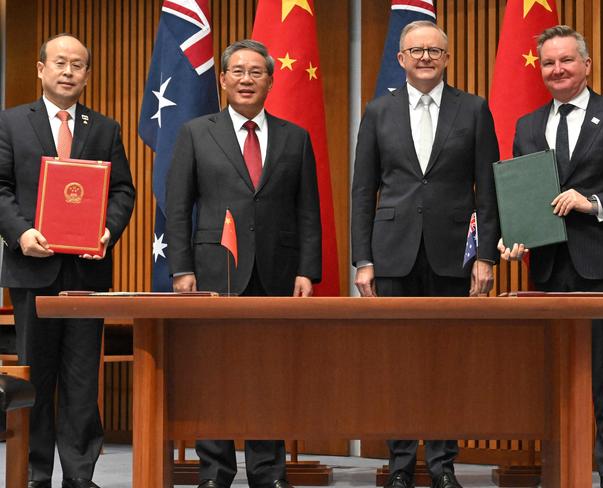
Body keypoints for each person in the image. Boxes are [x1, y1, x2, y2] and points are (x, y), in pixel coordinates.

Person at [165, 39, 322, 488]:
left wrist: (307, 270)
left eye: (256, 72)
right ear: (223, 79)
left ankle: (268, 471)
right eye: (238, 71)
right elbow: (178, 207)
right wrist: (181, 268)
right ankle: (215, 470)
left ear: (270, 80)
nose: (246, 79)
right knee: (212, 371)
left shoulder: (295, 137)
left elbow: (308, 210)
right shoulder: (197, 132)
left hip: (277, 273)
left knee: (269, 374)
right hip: (214, 273)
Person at [499, 25, 603, 488]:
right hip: (547, 266)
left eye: (566, 60)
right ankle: (557, 466)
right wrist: (515, 237)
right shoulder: (526, 125)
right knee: (551, 374)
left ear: (586, 64)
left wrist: (595, 202)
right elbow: (522, 195)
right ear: (540, 69)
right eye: (548, 62)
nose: (557, 69)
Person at [351, 20, 499, 488]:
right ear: (401, 59)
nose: (425, 58)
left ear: (447, 58)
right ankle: (398, 467)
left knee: (446, 361)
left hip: (454, 253)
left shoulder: (473, 110)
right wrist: (363, 259)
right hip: (391, 254)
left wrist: (486, 256)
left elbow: (487, 190)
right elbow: (363, 191)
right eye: (416, 51)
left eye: (434, 51)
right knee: (396, 362)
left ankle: (443, 466)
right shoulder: (377, 111)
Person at [0, 33, 135, 488]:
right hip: (31, 269)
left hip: (85, 273)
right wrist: (21, 233)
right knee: (35, 379)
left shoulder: (105, 129)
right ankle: (37, 474)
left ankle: (80, 476)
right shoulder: (11, 122)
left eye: (78, 65)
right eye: (59, 63)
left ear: (87, 75)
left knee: (81, 382)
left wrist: (108, 230)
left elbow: (122, 192)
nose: (68, 72)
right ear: (40, 69)